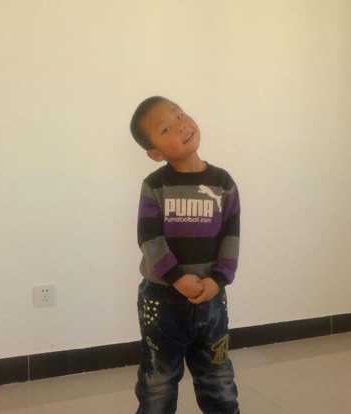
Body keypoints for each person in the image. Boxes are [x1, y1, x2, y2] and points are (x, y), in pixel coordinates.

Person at [130, 96, 241, 414]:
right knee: (158, 383)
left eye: (179, 115)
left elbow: (231, 236)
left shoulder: (223, 183)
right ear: (156, 153)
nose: (179, 125)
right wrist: (177, 278)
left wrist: (218, 280)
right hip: (162, 300)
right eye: (165, 128)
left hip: (211, 299)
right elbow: (149, 238)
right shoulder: (155, 185)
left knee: (218, 379)